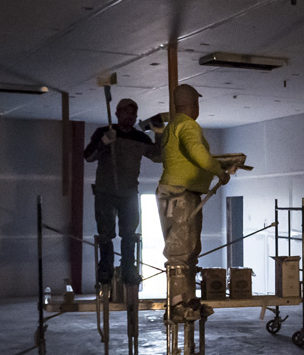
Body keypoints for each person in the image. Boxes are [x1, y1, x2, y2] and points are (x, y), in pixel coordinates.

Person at [156, 84, 228, 321]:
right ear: (194, 104)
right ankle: (177, 305)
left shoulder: (172, 126)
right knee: (180, 251)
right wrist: (219, 170)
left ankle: (188, 301)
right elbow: (196, 151)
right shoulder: (187, 125)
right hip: (180, 193)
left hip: (179, 193)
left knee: (189, 250)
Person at [83, 97, 162, 286]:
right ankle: (105, 270)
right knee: (105, 233)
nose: (130, 117)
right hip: (105, 192)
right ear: (117, 114)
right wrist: (103, 142)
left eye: (133, 114)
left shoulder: (140, 138)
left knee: (129, 233)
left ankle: (129, 270)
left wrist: (159, 134)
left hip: (129, 193)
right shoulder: (104, 132)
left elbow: (158, 156)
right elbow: (89, 157)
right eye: (126, 113)